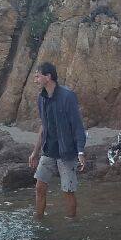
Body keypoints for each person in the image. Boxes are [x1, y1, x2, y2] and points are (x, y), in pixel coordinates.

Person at [29, 62, 87, 219]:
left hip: (67, 152)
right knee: (39, 187)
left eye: (38, 75)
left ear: (48, 77)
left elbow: (77, 126)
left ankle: (71, 223)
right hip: (48, 150)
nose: (35, 79)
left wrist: (80, 151)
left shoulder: (67, 96)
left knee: (68, 191)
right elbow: (44, 126)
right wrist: (35, 152)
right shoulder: (41, 98)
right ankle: (38, 220)